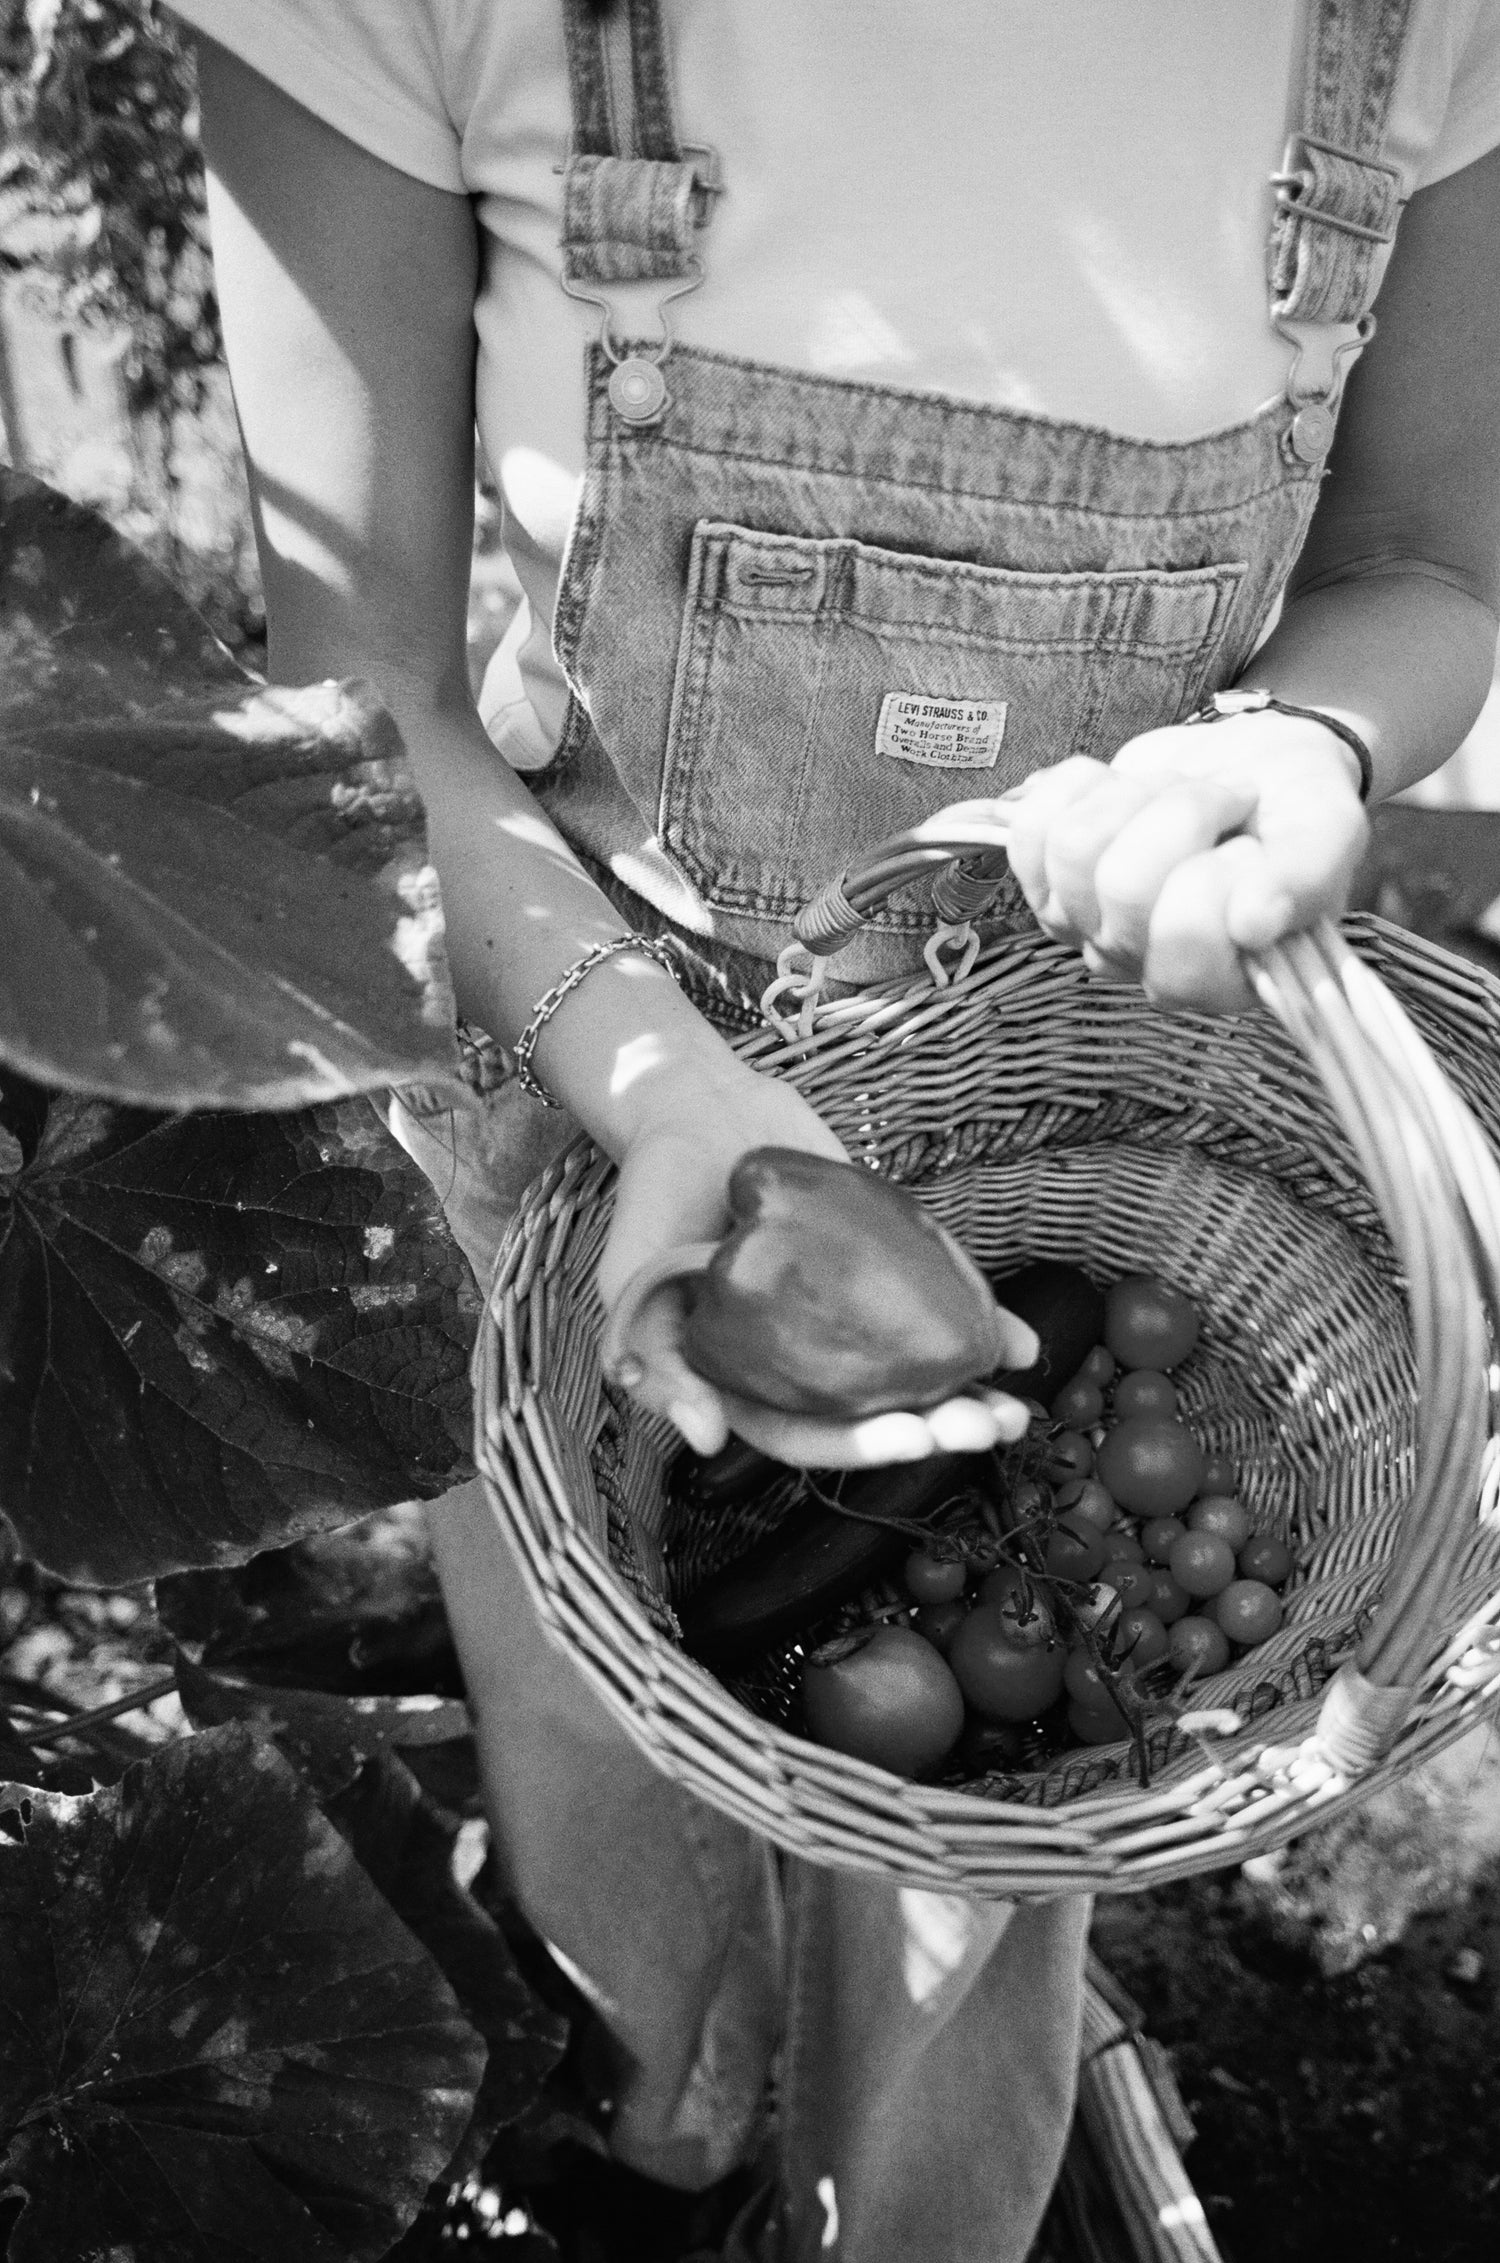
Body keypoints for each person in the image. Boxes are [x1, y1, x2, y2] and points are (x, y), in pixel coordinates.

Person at [169, 3, 1500, 2255]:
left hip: (1047, 1109)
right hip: (601, 1103)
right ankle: (659, 2123)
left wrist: (1305, 746)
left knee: (977, 1851)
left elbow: (1431, 567)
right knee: (611, 1756)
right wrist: (668, 1087)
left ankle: (889, 2208)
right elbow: (356, 688)